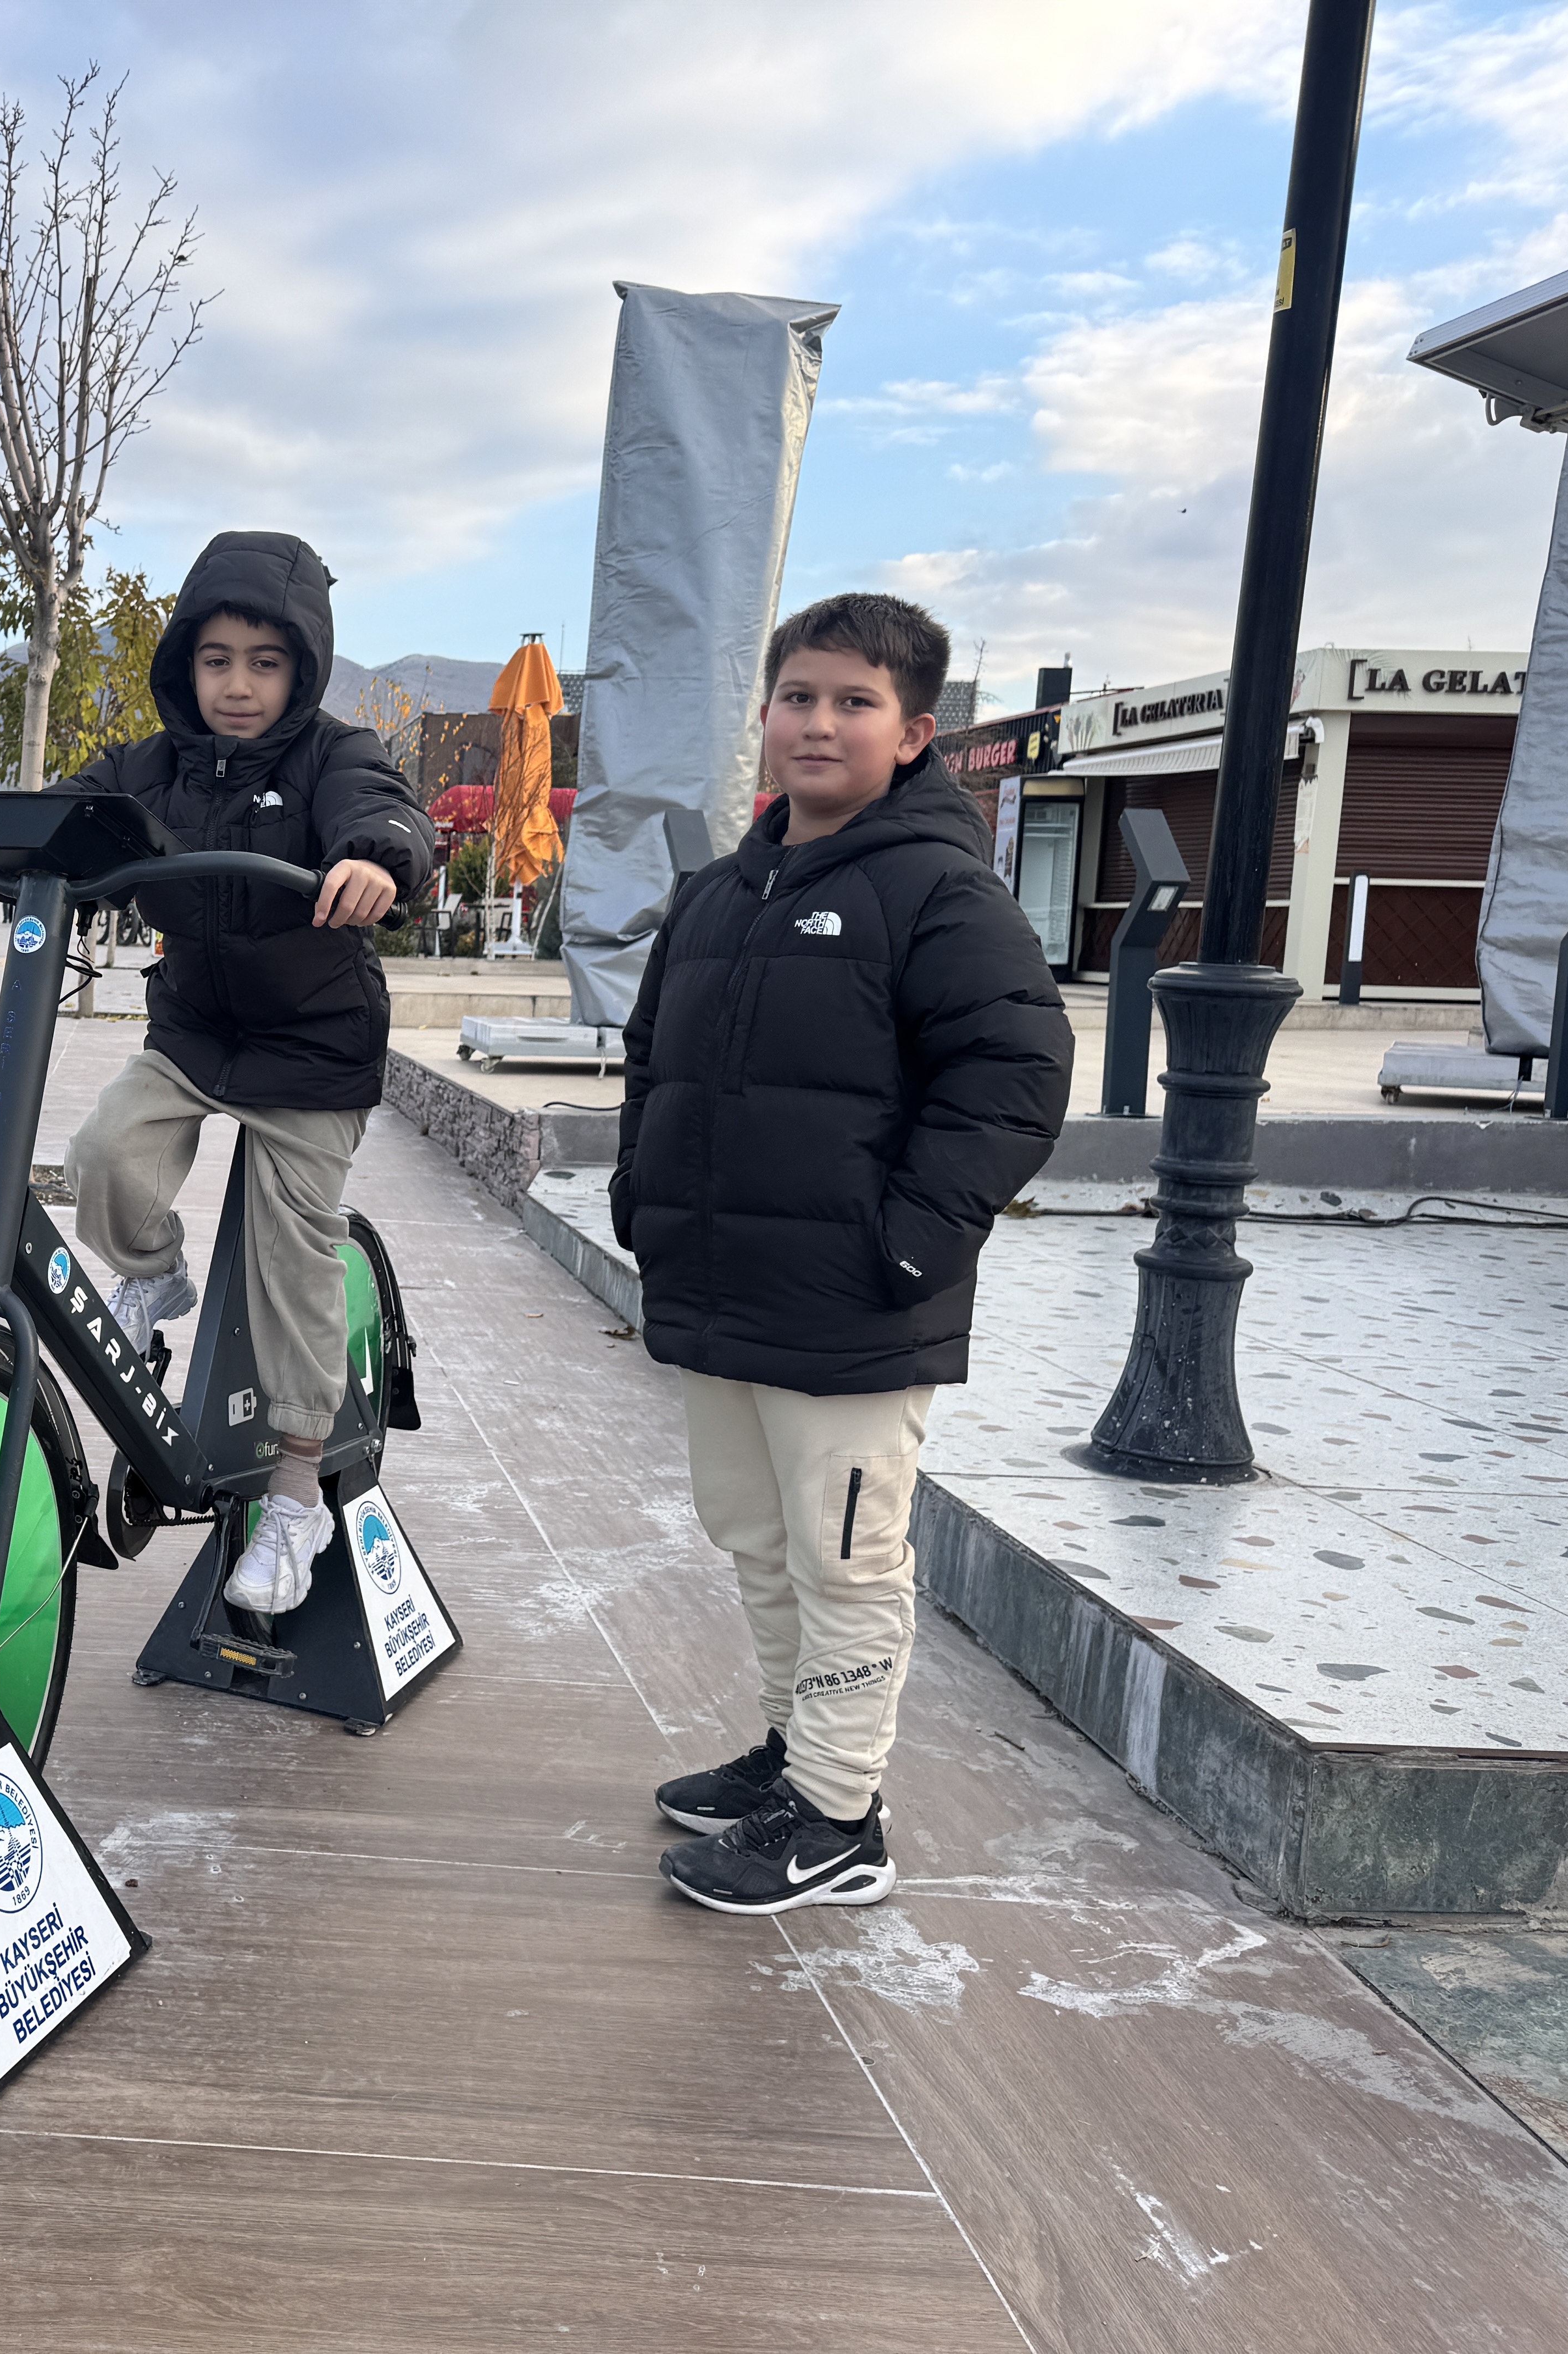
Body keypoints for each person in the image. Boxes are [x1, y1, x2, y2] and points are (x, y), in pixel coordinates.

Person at [0, 530, 432, 1615]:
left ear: (303, 669)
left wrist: (377, 857)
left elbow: (384, 809)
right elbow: (41, 823)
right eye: (216, 660)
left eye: (265, 663)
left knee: (289, 1258)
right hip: (194, 1032)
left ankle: (297, 1494)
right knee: (103, 1156)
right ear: (185, 664)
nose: (238, 685)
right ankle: (155, 1272)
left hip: (310, 1048)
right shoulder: (145, 769)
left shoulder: (334, 755)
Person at [613, 593, 1072, 1918]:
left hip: (857, 1310)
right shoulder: (720, 892)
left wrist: (910, 1246)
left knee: (847, 1559)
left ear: (915, 733)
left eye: (856, 702)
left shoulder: (938, 889)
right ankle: (791, 1754)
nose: (820, 723)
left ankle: (837, 1819)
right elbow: (653, 1061)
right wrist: (644, 1199)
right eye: (799, 696)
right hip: (725, 1293)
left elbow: (1017, 1073)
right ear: (764, 714)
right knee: (760, 1543)